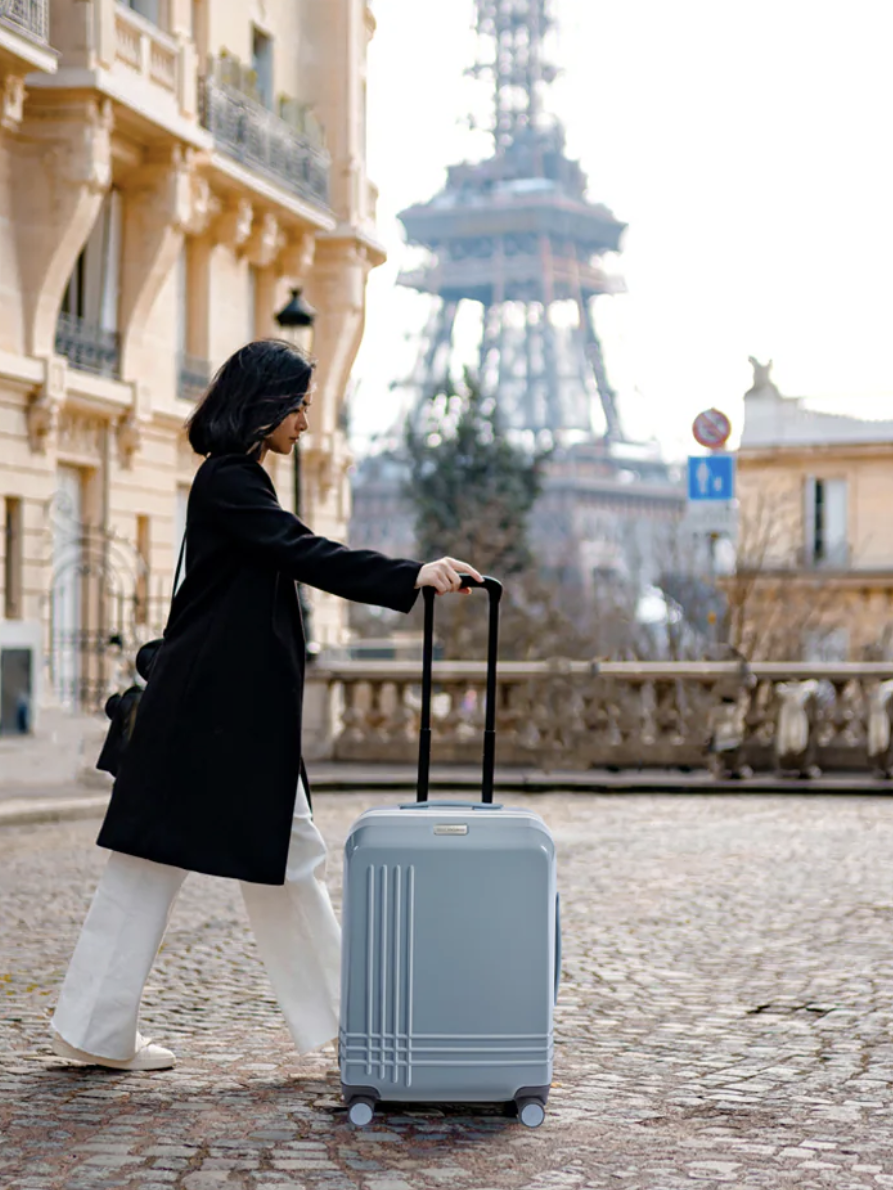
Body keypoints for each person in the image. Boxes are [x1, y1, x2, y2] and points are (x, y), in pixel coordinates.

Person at [49, 339, 482, 1072]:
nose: (306, 423)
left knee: (211, 863)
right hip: (221, 722)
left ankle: (96, 1030)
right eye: (300, 406)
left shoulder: (230, 480)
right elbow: (303, 551)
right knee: (253, 863)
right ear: (266, 406)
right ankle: (356, 1031)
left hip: (213, 717)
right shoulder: (232, 482)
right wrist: (413, 575)